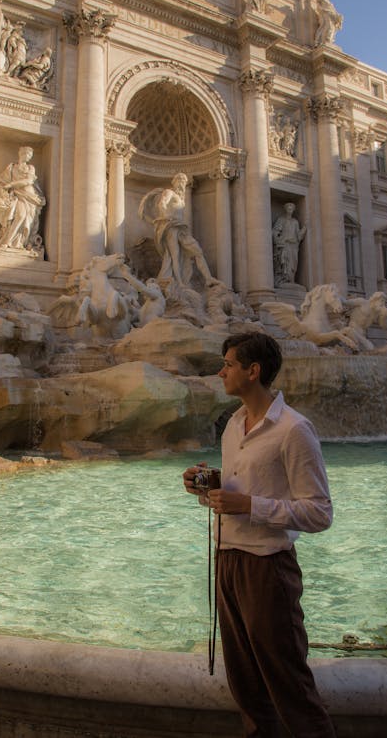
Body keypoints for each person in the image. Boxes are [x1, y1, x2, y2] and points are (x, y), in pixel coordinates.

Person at [183, 332, 336, 738]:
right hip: (227, 560)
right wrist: (204, 488)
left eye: (229, 364)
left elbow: (319, 512)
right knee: (246, 690)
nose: (221, 371)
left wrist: (251, 505)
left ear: (253, 372)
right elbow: (235, 498)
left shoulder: (294, 430)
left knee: (291, 690)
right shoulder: (233, 425)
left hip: (268, 569)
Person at [138, 173, 217, 288]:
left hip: (180, 228)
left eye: (184, 181)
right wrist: (165, 217)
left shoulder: (181, 199)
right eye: (179, 180)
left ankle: (208, 278)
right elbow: (162, 203)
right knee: (175, 255)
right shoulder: (169, 192)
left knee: (197, 251)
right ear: (174, 182)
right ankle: (179, 283)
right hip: (170, 226)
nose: (182, 183)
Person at [0, 146, 46, 253]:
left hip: (30, 197)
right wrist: (3, 188)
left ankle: (19, 243)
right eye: (25, 153)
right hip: (16, 195)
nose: (27, 156)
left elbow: (28, 181)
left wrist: (12, 184)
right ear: (20, 153)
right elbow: (2, 180)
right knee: (20, 216)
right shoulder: (11, 167)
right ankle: (6, 242)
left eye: (30, 155)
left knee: (27, 220)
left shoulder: (30, 168)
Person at [272, 202, 306, 285]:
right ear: (286, 209)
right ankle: (284, 279)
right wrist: (280, 240)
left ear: (293, 210)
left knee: (292, 263)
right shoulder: (281, 219)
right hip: (285, 244)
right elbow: (275, 232)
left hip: (293, 246)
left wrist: (304, 228)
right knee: (284, 262)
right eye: (288, 208)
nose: (290, 210)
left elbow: (298, 236)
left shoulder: (295, 222)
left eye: (291, 209)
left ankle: (291, 280)